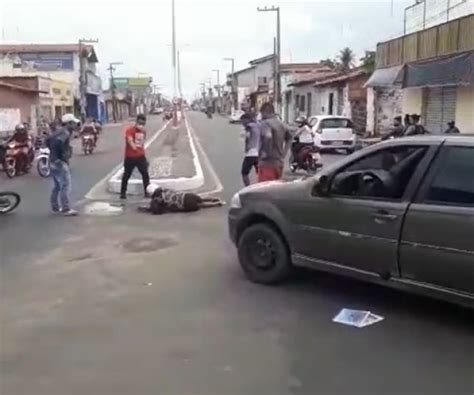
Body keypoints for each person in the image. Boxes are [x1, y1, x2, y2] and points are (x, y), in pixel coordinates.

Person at [46, 113, 79, 216]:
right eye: (73, 123)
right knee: (65, 185)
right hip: (59, 162)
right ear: (68, 123)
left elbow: (47, 140)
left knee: (57, 186)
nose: (75, 125)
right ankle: (66, 209)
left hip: (52, 161)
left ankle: (55, 207)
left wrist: (52, 155)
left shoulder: (58, 131)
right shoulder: (65, 133)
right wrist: (57, 158)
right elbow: (57, 143)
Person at [258, 102, 294, 182]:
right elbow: (290, 137)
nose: (261, 116)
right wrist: (284, 153)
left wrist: (266, 153)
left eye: (262, 113)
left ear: (265, 112)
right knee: (275, 190)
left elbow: (268, 136)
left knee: (264, 191)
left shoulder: (265, 123)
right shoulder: (281, 124)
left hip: (267, 164)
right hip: (279, 164)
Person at [120, 114, 150, 200]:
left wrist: (143, 155)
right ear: (136, 122)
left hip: (140, 157)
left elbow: (142, 143)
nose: (141, 125)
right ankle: (123, 193)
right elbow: (129, 140)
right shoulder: (130, 130)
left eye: (143, 124)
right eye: (140, 123)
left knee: (145, 174)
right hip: (130, 157)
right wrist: (133, 147)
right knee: (126, 175)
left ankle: (147, 191)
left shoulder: (143, 131)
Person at [139, 185, 224, 215]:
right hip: (186, 195)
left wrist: (145, 209)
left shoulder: (157, 199)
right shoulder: (166, 190)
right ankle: (215, 199)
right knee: (201, 199)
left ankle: (216, 204)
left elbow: (156, 211)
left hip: (184, 204)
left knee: (200, 205)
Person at [240, 112, 260, 186]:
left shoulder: (249, 126)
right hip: (259, 153)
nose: (242, 123)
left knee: (244, 172)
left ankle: (247, 188)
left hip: (251, 154)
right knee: (259, 172)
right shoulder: (258, 125)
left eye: (242, 121)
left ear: (246, 120)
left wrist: (247, 147)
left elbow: (248, 137)